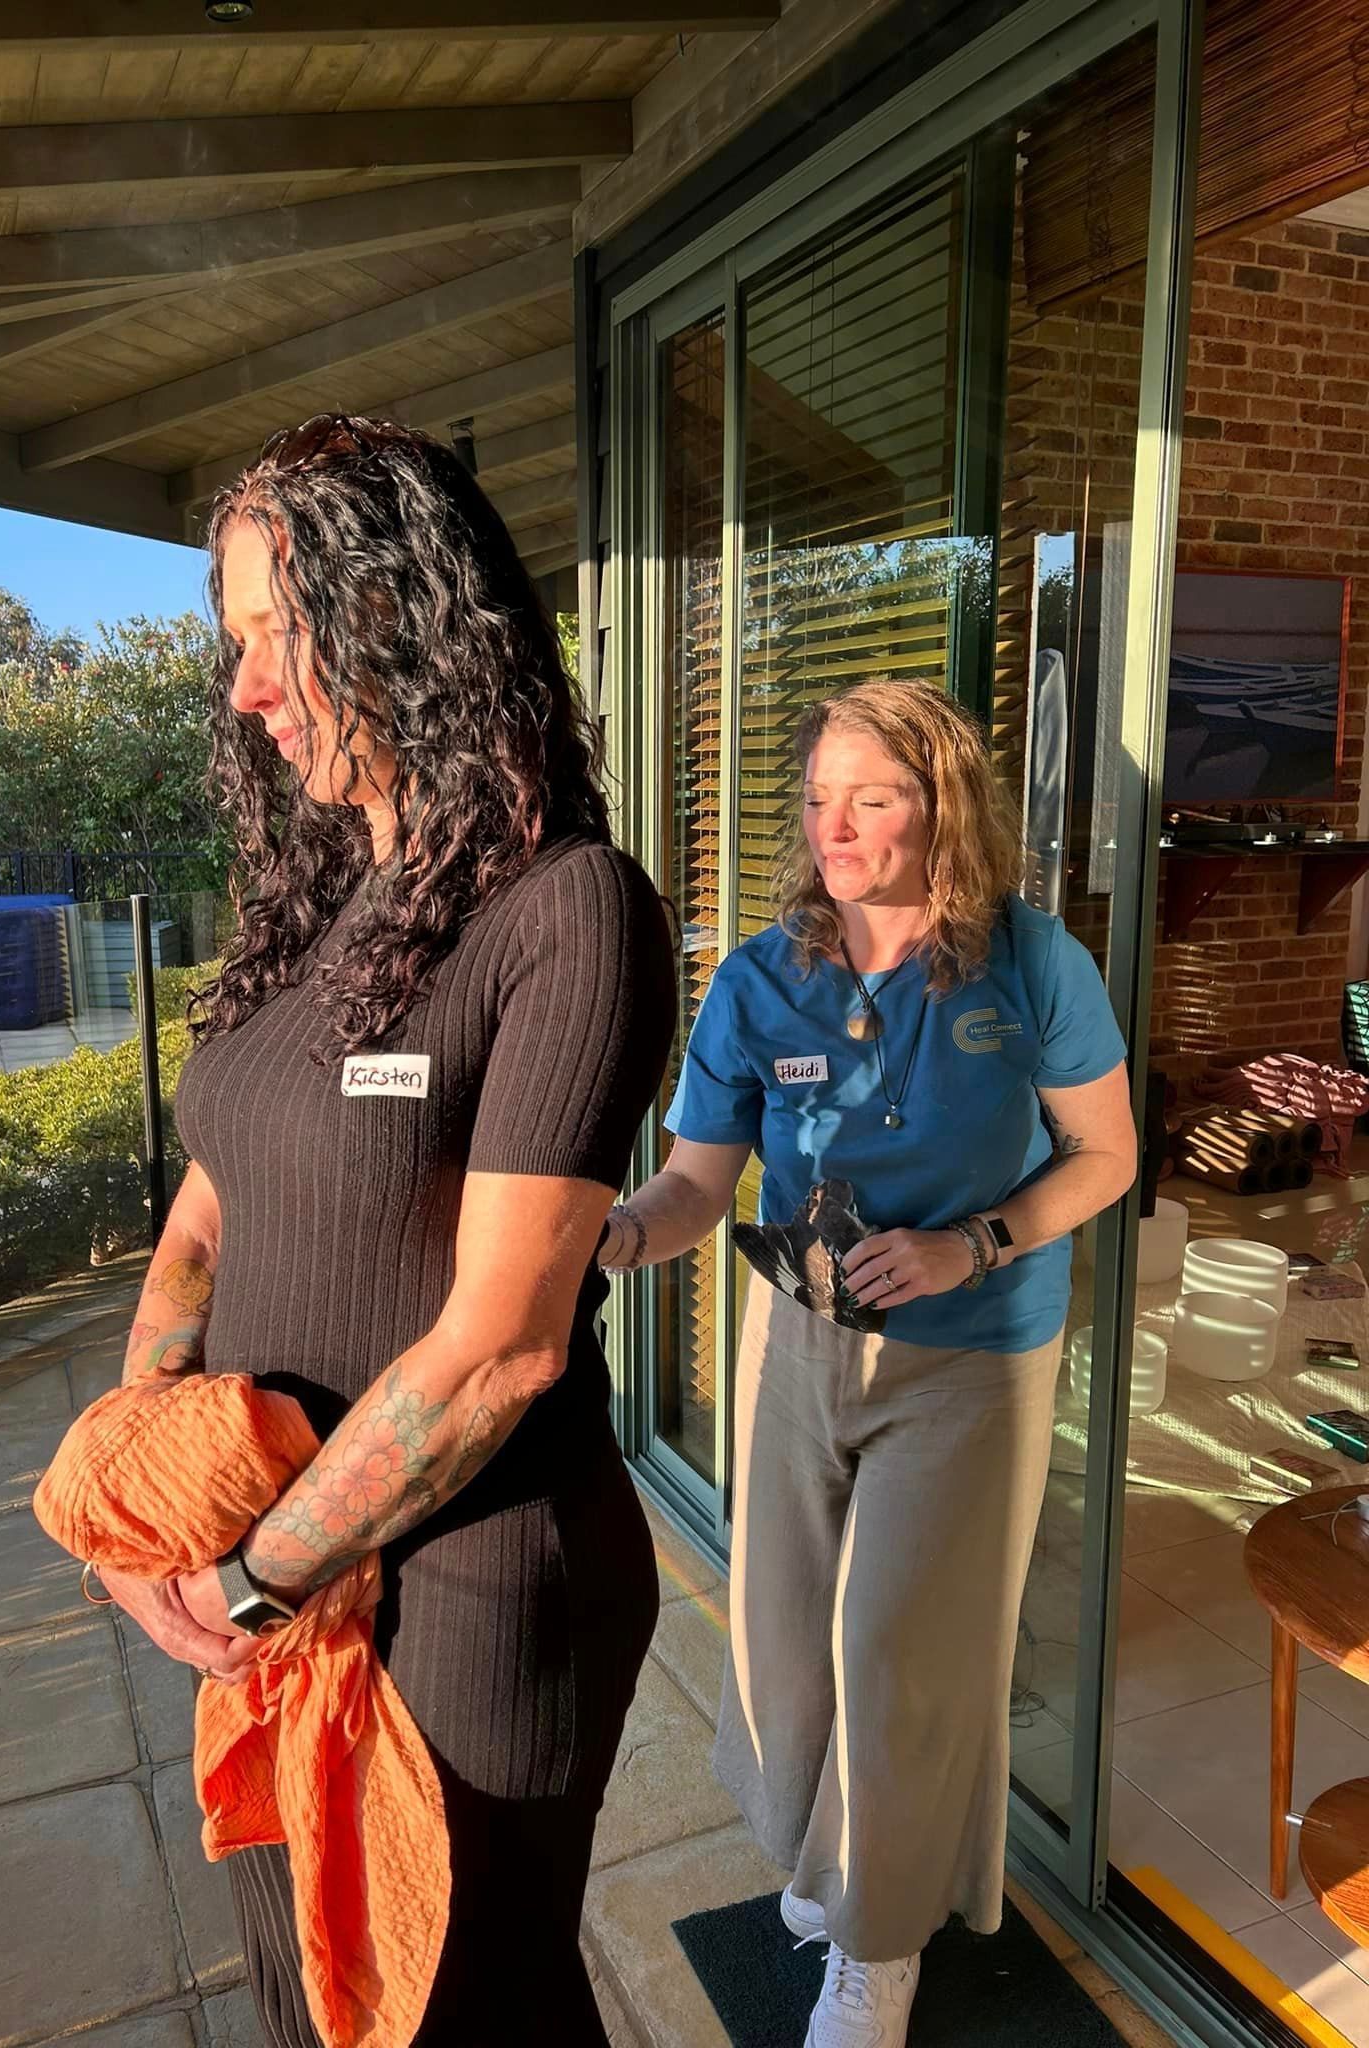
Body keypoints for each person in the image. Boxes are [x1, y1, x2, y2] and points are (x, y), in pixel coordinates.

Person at [94, 413, 676, 2048]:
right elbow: (208, 1203)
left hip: (470, 1601)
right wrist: (150, 1459)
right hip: (273, 1587)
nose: (247, 689)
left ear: (410, 618)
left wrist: (255, 1576)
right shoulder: (320, 903)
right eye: (238, 644)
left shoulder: (570, 910)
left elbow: (505, 1346)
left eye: (283, 634)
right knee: (303, 1983)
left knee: (451, 2005)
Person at [596, 680, 1136, 2048]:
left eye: (874, 797)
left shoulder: (1031, 965)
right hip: (803, 1341)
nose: (838, 826)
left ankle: (875, 1948)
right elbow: (696, 1185)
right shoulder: (761, 976)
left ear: (941, 806)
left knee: (902, 1651)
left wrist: (978, 1242)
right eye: (823, 797)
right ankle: (840, 1865)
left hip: (974, 1356)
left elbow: (1107, 1158)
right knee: (783, 1637)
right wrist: (604, 1239)